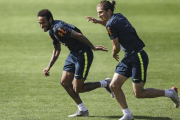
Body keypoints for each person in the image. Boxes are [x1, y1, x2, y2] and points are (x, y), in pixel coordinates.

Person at [86, 0, 179, 120]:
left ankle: (171, 93)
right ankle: (127, 114)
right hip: (129, 57)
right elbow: (111, 26)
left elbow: (116, 47)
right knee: (114, 85)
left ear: (109, 11)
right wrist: (99, 22)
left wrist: (113, 54)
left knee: (139, 93)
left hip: (138, 57)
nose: (99, 15)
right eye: (98, 13)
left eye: (100, 12)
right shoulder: (118, 16)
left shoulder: (110, 24)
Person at [37, 9, 113, 117]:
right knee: (64, 82)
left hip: (83, 54)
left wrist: (93, 47)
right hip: (73, 54)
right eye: (39, 23)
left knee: (78, 88)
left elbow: (79, 35)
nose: (41, 25)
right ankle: (82, 110)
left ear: (50, 19)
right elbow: (57, 49)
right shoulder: (51, 31)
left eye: (43, 22)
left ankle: (106, 83)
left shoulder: (58, 28)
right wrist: (49, 66)